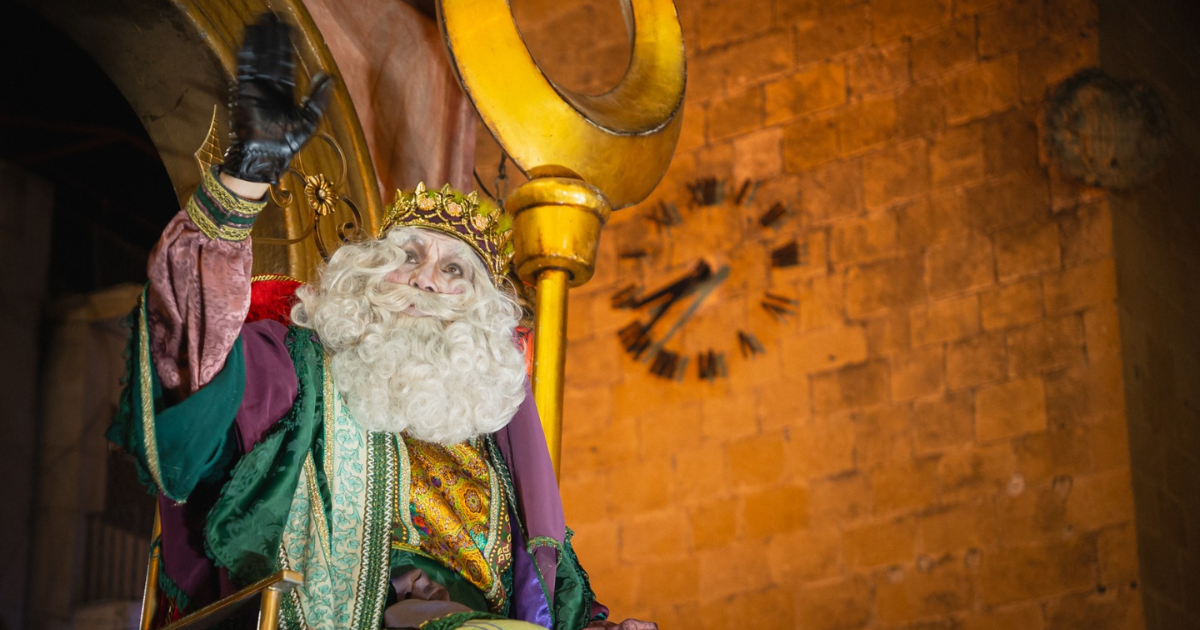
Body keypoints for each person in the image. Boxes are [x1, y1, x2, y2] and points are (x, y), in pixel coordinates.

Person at [107, 12, 653, 630]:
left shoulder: (496, 446)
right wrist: (245, 179)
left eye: (454, 270)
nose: (426, 279)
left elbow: (560, 607)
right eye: (409, 257)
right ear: (366, 276)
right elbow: (192, 361)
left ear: (482, 316)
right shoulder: (297, 372)